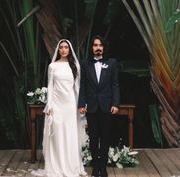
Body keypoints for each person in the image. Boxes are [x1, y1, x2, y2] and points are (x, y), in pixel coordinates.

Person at [32, 39, 87, 177]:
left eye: (66, 47)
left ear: (69, 50)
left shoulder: (75, 66)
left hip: (70, 104)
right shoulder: (53, 66)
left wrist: (81, 104)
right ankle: (57, 165)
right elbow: (50, 86)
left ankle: (72, 166)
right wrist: (49, 104)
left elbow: (78, 87)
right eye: (61, 47)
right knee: (57, 134)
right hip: (56, 104)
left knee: (69, 134)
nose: (63, 50)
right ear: (58, 49)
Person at [78, 35, 120, 177]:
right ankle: (95, 167)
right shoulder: (85, 64)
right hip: (92, 107)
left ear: (103, 47)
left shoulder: (112, 63)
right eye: (95, 45)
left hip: (107, 106)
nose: (98, 48)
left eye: (100, 45)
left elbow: (115, 84)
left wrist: (115, 103)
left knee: (106, 137)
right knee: (94, 138)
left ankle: (103, 167)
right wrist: (81, 104)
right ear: (92, 48)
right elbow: (82, 85)